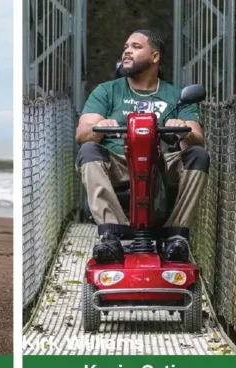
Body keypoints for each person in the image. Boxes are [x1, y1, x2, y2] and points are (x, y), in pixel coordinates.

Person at [75, 29, 209, 263]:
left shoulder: (175, 95)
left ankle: (176, 235)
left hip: (159, 166)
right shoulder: (107, 91)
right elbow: (82, 133)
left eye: (136, 47)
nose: (127, 50)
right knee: (88, 151)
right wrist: (99, 126)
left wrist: (182, 129)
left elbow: (196, 135)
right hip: (119, 164)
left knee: (197, 155)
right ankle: (111, 236)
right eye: (126, 46)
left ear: (155, 57)